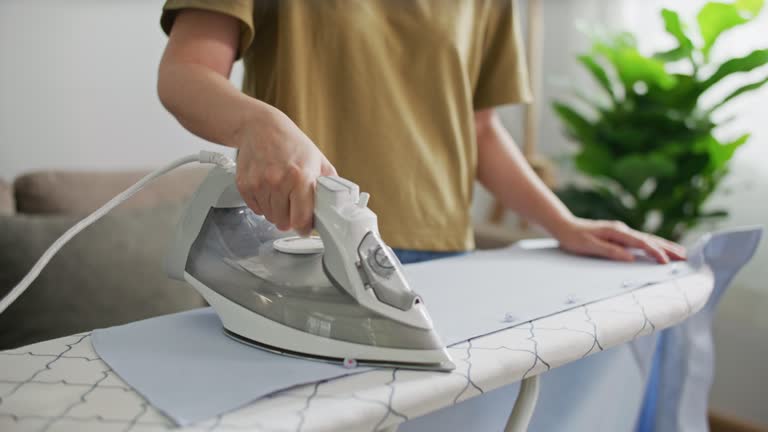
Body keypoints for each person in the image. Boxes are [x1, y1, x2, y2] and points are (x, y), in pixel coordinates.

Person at [157, 0, 685, 265]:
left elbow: (477, 130)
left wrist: (564, 224)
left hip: (441, 252)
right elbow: (185, 74)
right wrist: (260, 123)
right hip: (297, 243)